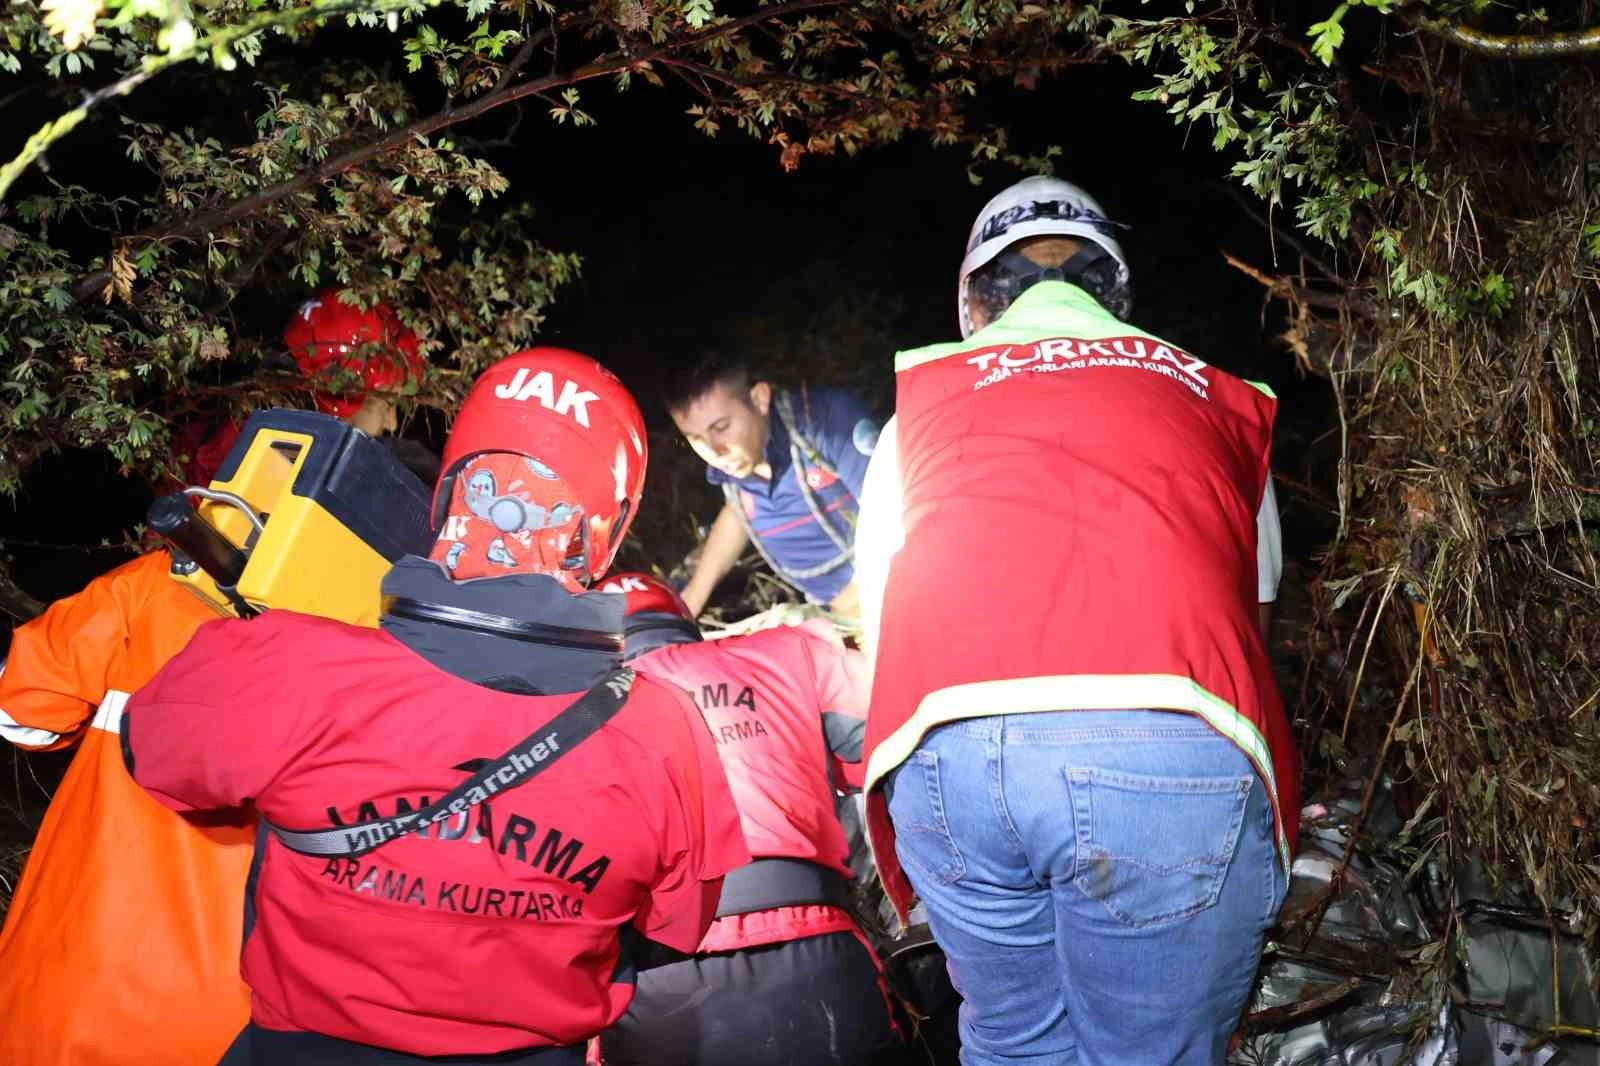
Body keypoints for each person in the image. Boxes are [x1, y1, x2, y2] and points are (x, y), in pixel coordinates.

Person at [123, 348, 751, 1065]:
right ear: (607, 528)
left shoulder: (289, 662)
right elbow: (676, 931)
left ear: (450, 487)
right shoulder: (667, 735)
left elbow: (155, 752)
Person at [853, 175, 1300, 1065]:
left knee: (1014, 1044)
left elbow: (882, 629)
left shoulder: (922, 411)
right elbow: (1249, 624)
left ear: (975, 303)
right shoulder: (1213, 402)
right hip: (1167, 742)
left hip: (947, 759)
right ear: (1117, 294)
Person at [0, 292, 434, 1066]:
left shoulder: (153, 584)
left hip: (56, 993)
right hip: (217, 1027)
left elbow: (21, 713)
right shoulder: (384, 652)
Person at [592, 572, 899, 1066]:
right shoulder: (790, 652)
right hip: (820, 961)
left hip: (659, 990)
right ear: (683, 623)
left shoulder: (559, 716)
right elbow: (890, 744)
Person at [665, 353, 879, 620]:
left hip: (884, 591)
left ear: (759, 399)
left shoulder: (826, 422)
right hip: (822, 607)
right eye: (696, 438)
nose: (714, 451)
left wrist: (843, 608)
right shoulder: (737, 466)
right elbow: (739, 509)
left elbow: (894, 512)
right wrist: (691, 601)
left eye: (721, 427)